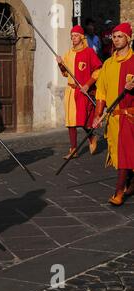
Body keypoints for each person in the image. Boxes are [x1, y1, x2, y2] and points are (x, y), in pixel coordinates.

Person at [93, 22, 134, 206]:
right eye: (114, 37)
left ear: (128, 38)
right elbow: (101, 91)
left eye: (120, 36)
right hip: (113, 117)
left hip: (130, 116)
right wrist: (98, 114)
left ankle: (119, 191)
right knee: (121, 154)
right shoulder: (108, 64)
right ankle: (131, 183)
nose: (116, 40)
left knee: (125, 153)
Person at [56, 25, 102, 160]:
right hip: (71, 89)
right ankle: (73, 148)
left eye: (76, 36)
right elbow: (65, 74)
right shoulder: (68, 53)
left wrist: (88, 85)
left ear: (82, 37)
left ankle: (91, 136)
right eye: (72, 36)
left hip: (83, 90)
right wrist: (60, 64)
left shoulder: (89, 52)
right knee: (70, 121)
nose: (73, 38)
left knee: (82, 120)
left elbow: (98, 70)